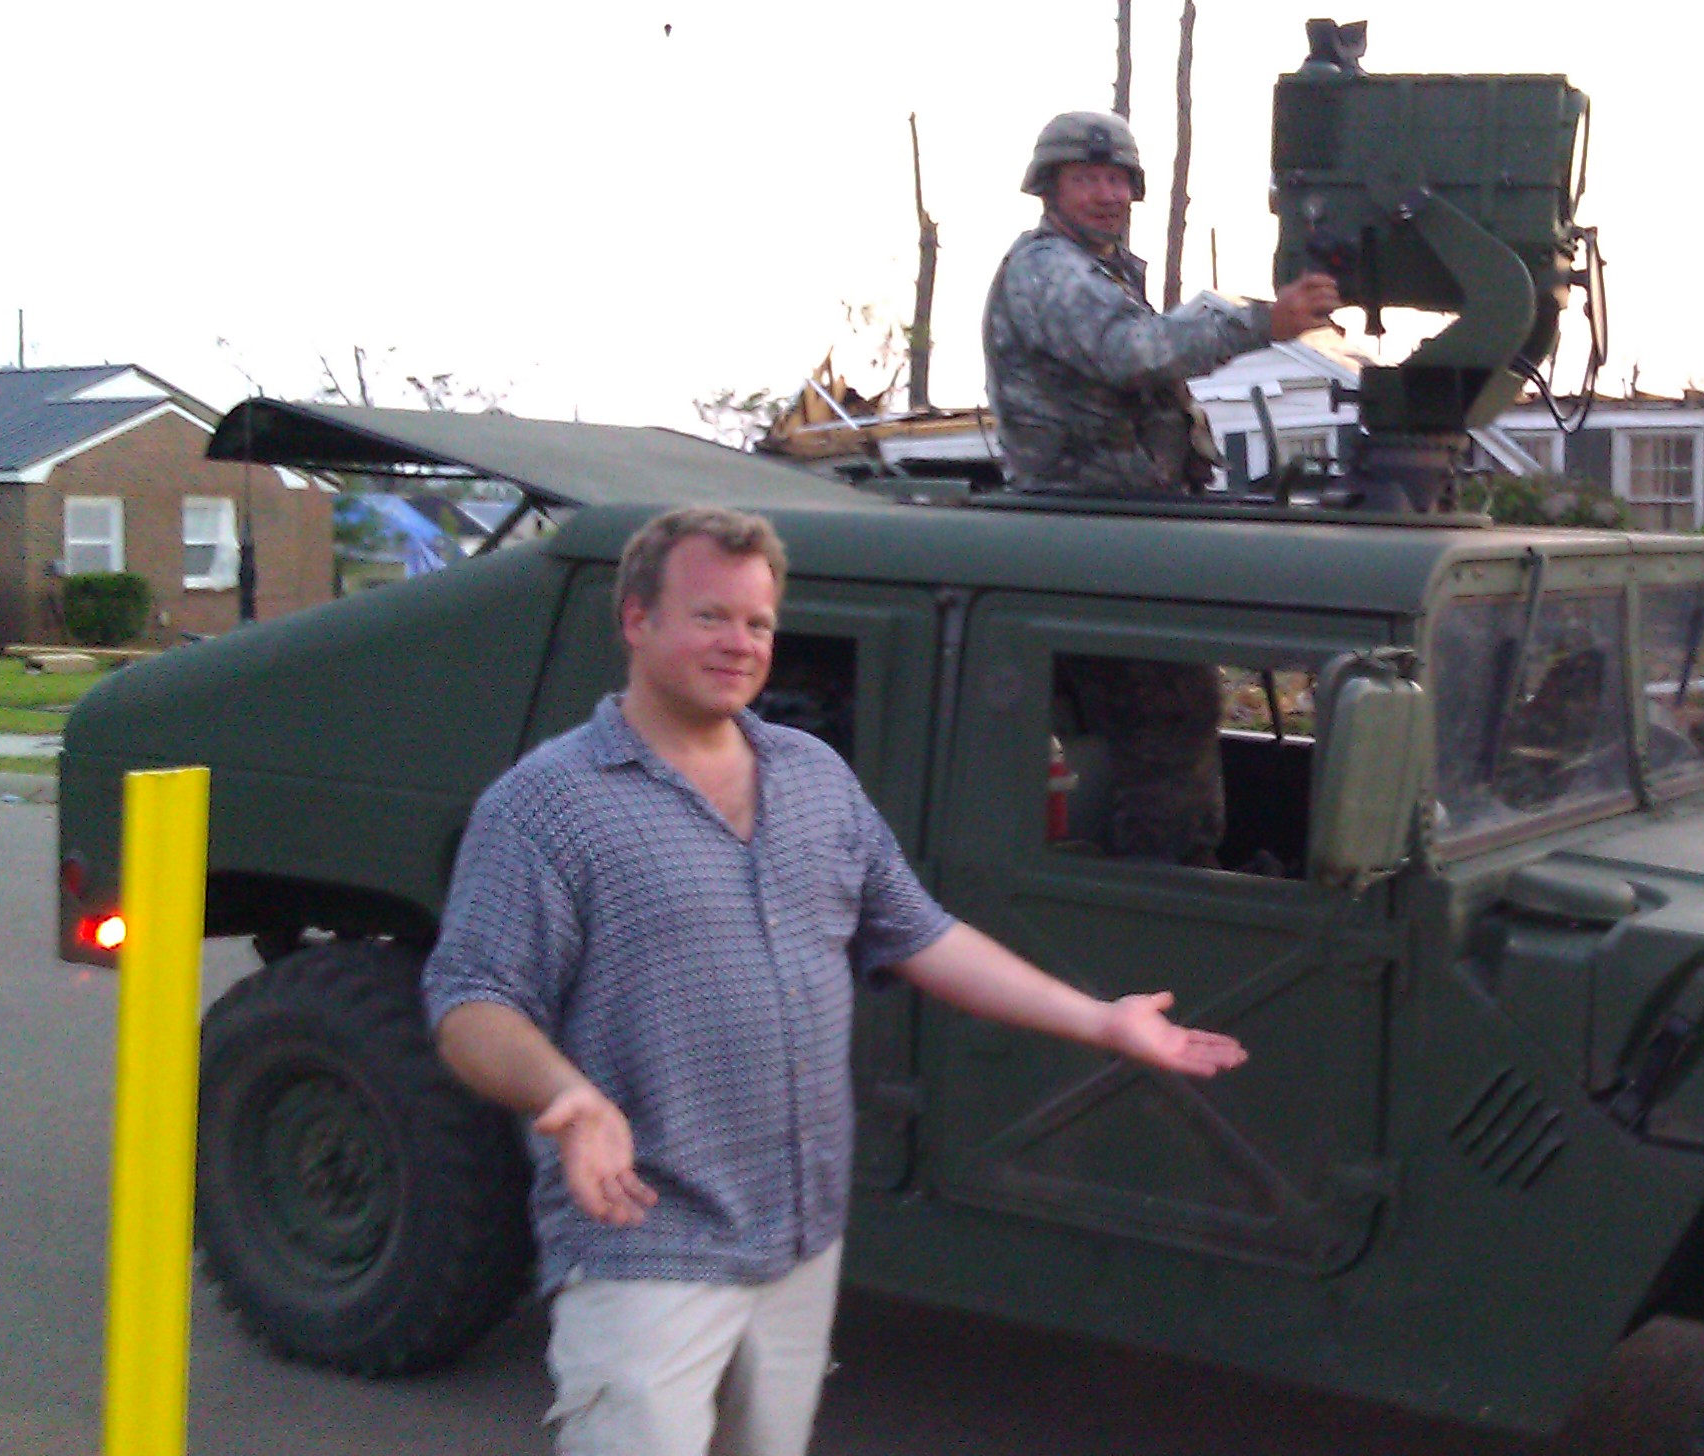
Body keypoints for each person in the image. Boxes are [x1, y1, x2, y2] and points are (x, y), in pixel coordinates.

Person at [421, 506, 1247, 1456]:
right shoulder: (547, 804)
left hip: (798, 1240)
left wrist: (1101, 1021)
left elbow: (922, 934)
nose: (739, 643)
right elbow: (472, 1001)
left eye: (759, 623)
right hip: (647, 1241)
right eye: (710, 616)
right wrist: (562, 1095)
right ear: (636, 620)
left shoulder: (811, 776)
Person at [982, 109, 1340, 863]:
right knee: (1169, 724)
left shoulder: (1100, 273)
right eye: (1087, 179)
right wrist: (1263, 322)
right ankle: (1168, 887)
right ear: (1051, 188)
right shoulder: (1048, 270)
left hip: (1122, 530)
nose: (1107, 195)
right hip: (1087, 535)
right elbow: (1133, 351)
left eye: (1117, 180)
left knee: (1171, 718)